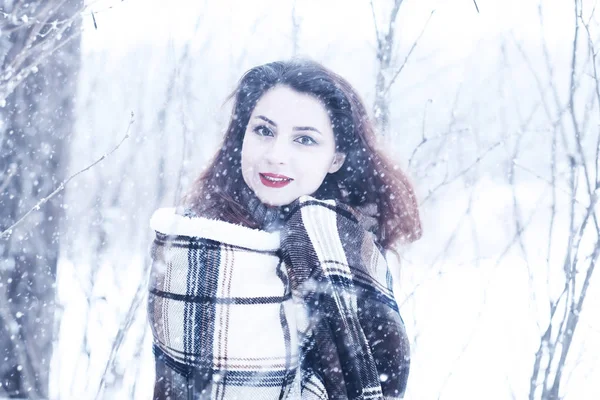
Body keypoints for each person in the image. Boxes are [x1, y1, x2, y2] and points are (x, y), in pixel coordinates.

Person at [147, 59, 422, 399]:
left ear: (336, 158)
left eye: (304, 140)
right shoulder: (193, 243)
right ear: (242, 137)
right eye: (264, 131)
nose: (276, 155)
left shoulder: (352, 250)